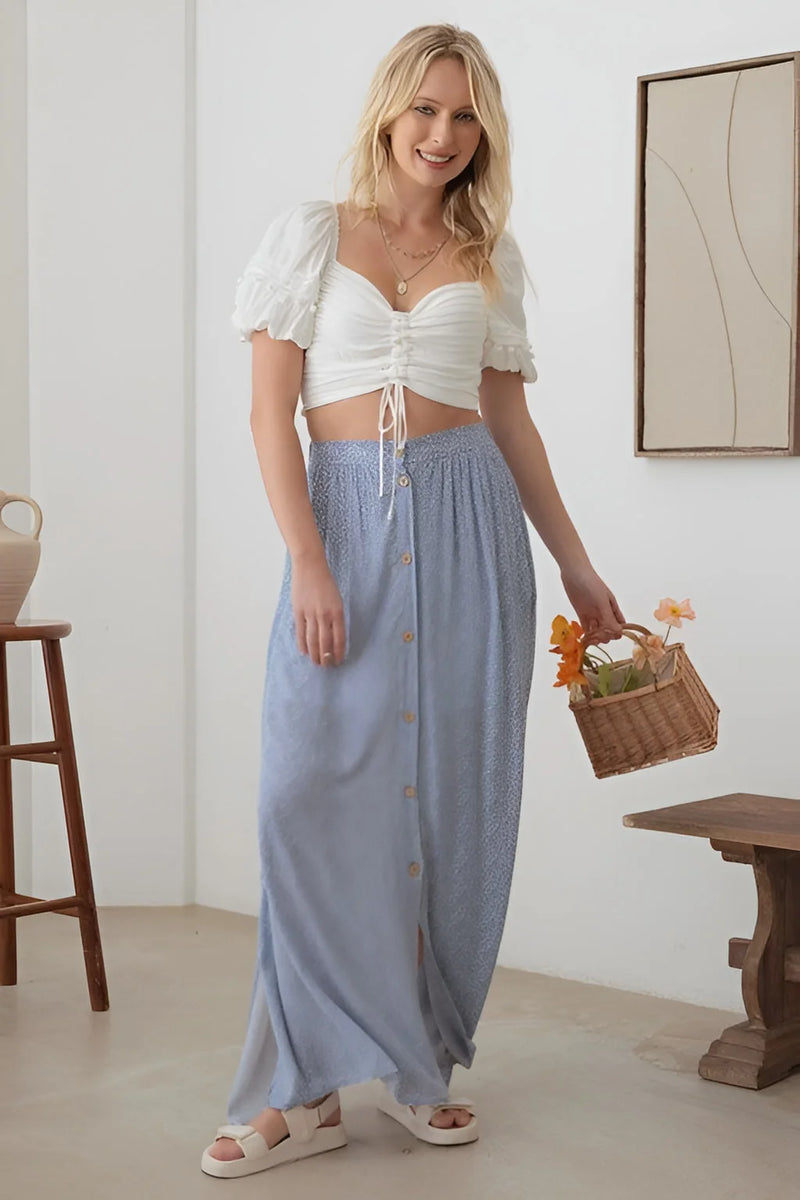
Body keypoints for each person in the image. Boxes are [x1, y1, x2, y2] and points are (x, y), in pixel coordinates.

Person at [201, 22, 625, 1180]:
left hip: (468, 531)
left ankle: (417, 1061)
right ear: (388, 113)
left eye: (464, 116)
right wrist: (306, 559)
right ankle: (297, 1088)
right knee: (305, 795)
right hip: (341, 524)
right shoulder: (308, 237)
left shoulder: (490, 257)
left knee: (440, 807)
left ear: (481, 133)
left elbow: (509, 422)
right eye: (426, 110)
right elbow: (267, 414)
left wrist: (579, 567)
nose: (442, 136)